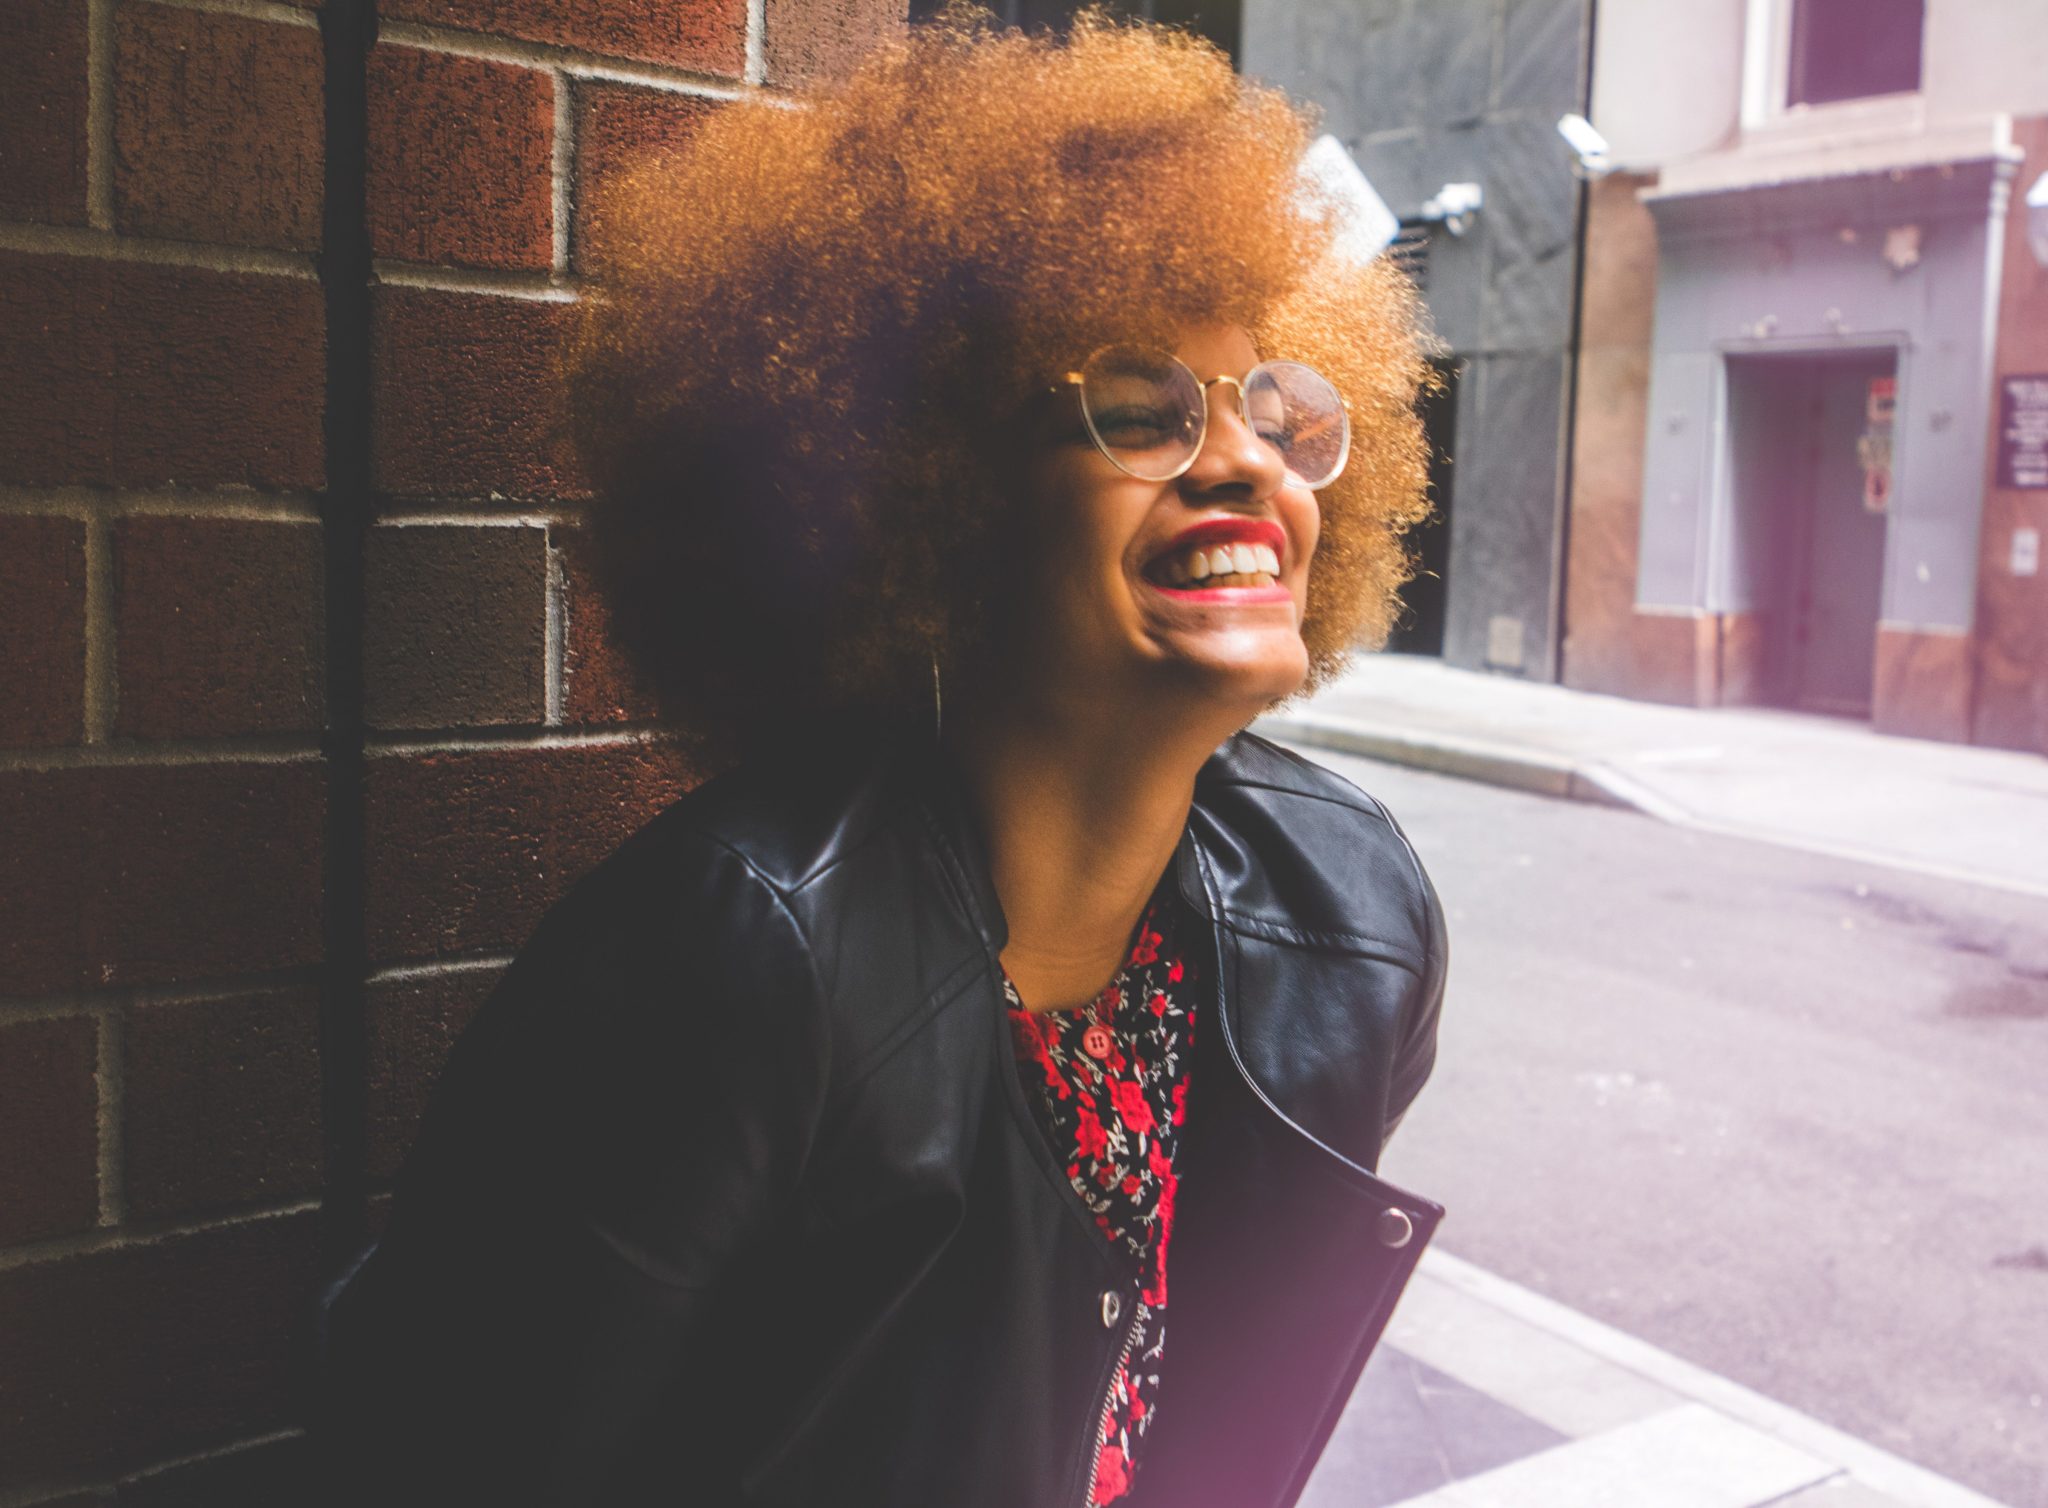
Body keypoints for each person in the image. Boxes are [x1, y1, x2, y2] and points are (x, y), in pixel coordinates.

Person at [315, 9, 1449, 1506]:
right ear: (937, 505)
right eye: (1138, 410)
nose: (1242, 462)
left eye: (1277, 411)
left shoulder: (1353, 924)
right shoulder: (733, 958)